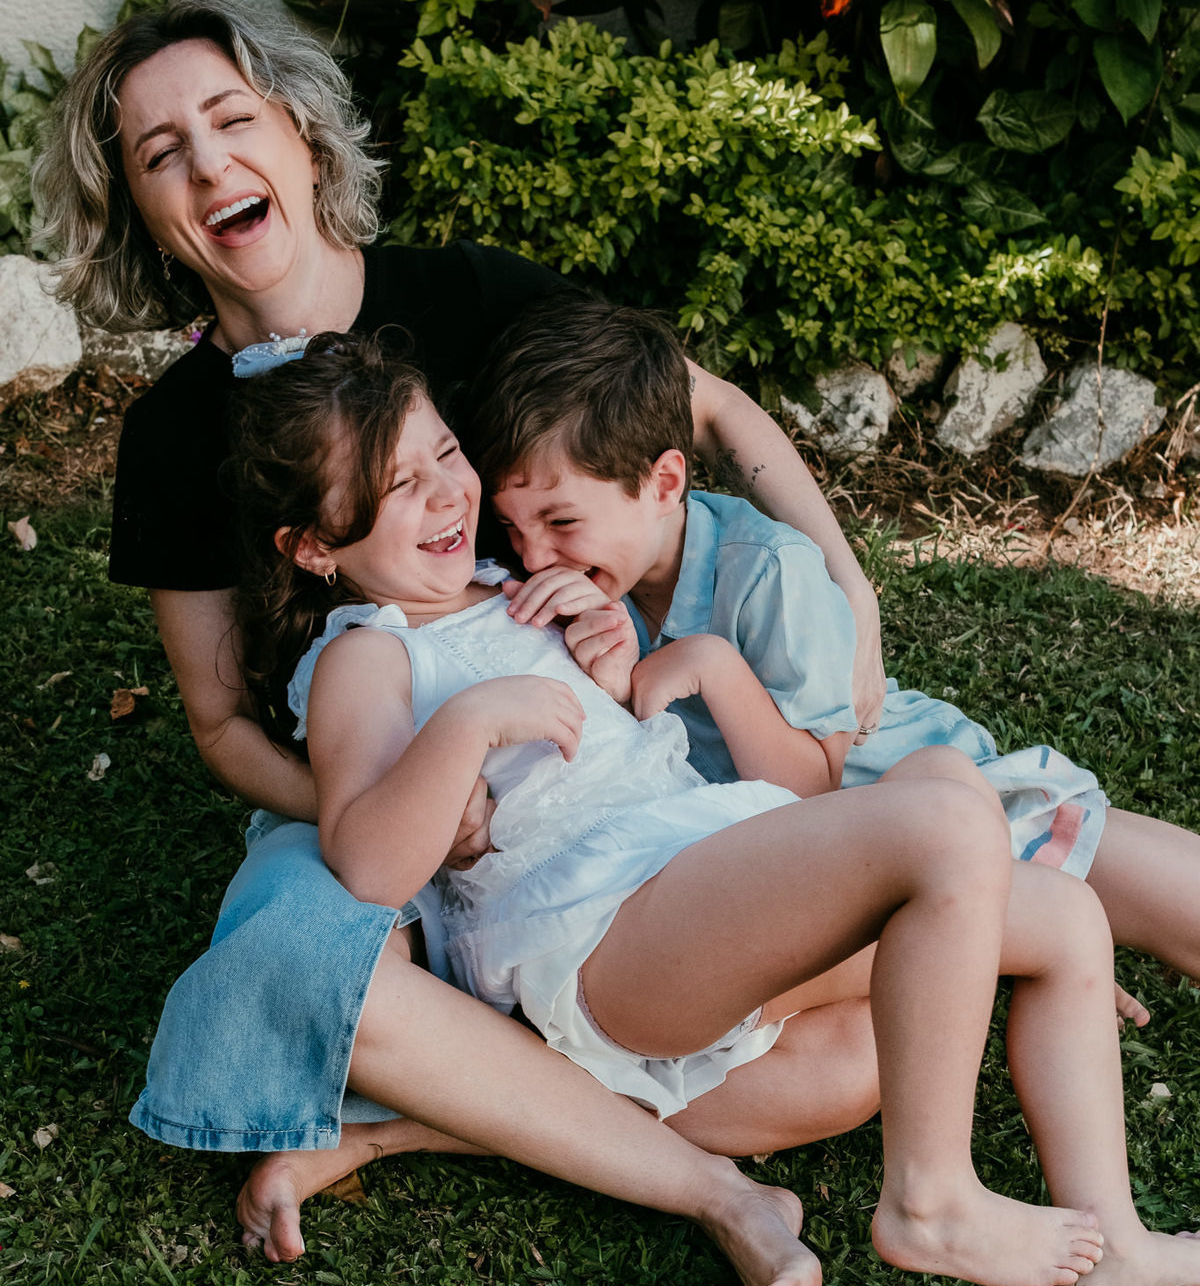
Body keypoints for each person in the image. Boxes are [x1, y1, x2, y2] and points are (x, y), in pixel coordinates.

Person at [33, 0, 891, 1286]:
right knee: (318, 979)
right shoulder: (170, 437)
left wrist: (844, 580)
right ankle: (713, 1191)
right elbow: (216, 724)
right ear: (145, 214)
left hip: (576, 735)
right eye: (160, 156)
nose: (207, 168)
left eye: (231, 122)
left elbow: (702, 404)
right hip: (355, 773)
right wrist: (387, 810)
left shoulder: (460, 295)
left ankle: (414, 1123)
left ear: (304, 139)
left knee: (857, 1064)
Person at [229, 330, 1200, 1286]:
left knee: (1065, 919)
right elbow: (367, 861)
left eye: (443, 454)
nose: (443, 494)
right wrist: (472, 723)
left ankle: (1116, 1245)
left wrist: (607, 664)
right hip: (603, 928)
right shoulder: (367, 657)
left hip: (682, 874)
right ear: (313, 547)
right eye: (395, 488)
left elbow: (612, 743)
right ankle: (930, 1198)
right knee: (948, 814)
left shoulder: (513, 583)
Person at [476, 291, 1200, 1023]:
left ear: (664, 483)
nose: (534, 554)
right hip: (840, 872)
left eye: (560, 521)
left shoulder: (768, 570)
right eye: (511, 527)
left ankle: (1047, 937)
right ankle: (1033, 946)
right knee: (1015, 925)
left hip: (930, 795)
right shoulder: (575, 592)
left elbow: (813, 793)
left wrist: (715, 667)